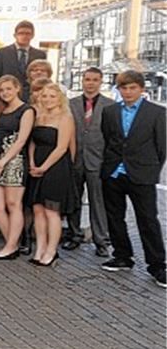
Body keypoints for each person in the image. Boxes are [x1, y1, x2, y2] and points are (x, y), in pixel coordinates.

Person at [98, 70, 166, 287]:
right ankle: (122, 256)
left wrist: (151, 169)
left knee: (147, 219)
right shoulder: (110, 112)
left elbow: (162, 146)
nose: (128, 92)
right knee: (114, 216)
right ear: (119, 90)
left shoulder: (156, 112)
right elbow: (109, 139)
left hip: (141, 173)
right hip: (114, 172)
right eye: (124, 88)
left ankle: (157, 265)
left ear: (141, 89)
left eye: (132, 88)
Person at [0, 75, 35, 260]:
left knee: (13, 204)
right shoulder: (1, 110)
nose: (5, 93)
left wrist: (3, 162)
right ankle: (11, 244)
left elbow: (21, 140)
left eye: (8, 89)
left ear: (17, 88)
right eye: (2, 90)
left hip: (14, 161)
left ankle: (11, 246)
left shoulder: (26, 110)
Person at [67, 67, 114, 256]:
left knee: (98, 202)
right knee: (74, 200)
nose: (90, 83)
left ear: (100, 82)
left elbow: (113, 136)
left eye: (95, 79)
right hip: (75, 159)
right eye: (87, 79)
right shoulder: (71, 104)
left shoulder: (110, 106)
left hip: (98, 161)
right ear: (82, 81)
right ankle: (74, 235)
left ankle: (101, 241)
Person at [27, 80, 75, 267]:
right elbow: (32, 142)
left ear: (60, 98)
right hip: (36, 165)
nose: (47, 99)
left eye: (52, 96)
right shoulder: (38, 116)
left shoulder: (65, 118)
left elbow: (62, 148)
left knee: (51, 211)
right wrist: (32, 162)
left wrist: (44, 167)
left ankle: (51, 250)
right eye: (45, 96)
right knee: (37, 209)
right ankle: (40, 248)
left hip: (55, 168)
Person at [0, 20, 45, 100]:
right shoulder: (1, 53)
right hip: (6, 97)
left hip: (31, 97)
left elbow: (43, 77)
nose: (24, 36)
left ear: (32, 35)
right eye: (21, 33)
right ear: (15, 35)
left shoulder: (40, 55)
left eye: (28, 34)